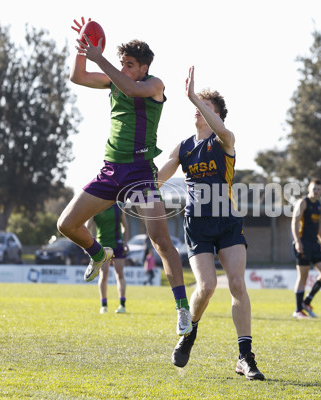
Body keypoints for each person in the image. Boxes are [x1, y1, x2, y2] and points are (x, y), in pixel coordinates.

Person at [56, 17, 191, 336]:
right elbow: (77, 77)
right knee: (66, 224)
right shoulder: (115, 79)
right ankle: (98, 253)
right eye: (122, 64)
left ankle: (182, 309)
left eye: (129, 64)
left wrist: (98, 55)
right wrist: (82, 49)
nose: (124, 69)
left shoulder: (154, 85)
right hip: (112, 170)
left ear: (143, 68)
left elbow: (131, 88)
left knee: (161, 241)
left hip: (142, 173)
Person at [157, 66, 264, 380]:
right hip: (198, 225)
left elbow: (225, 132)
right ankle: (189, 333)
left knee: (236, 284)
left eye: (205, 107)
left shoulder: (224, 141)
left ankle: (245, 357)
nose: (197, 111)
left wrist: (194, 95)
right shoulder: (185, 147)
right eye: (196, 107)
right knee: (206, 287)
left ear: (216, 115)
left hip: (228, 222)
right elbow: (159, 176)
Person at [291, 179, 321, 319]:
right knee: (303, 276)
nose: (316, 191)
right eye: (314, 188)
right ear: (309, 188)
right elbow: (294, 221)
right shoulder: (303, 202)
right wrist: (297, 241)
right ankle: (298, 310)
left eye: (318, 189)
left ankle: (307, 302)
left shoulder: (319, 205)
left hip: (314, 245)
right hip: (303, 243)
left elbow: (318, 226)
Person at [87, 203, 129, 314]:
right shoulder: (95, 207)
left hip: (118, 245)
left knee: (119, 273)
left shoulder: (119, 206)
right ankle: (104, 306)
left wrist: (125, 242)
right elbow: (87, 227)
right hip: (102, 246)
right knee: (103, 274)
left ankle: (122, 305)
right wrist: (88, 245)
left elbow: (125, 226)